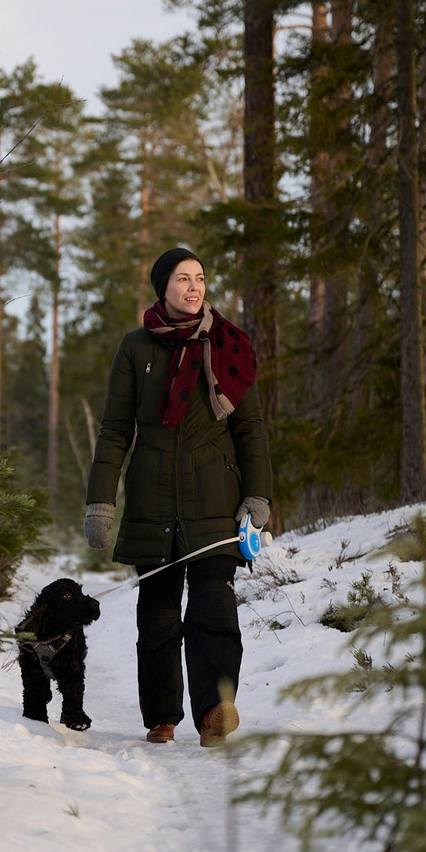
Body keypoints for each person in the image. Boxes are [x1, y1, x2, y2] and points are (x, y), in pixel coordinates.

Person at [84, 247, 273, 747]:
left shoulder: (230, 345)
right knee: (159, 613)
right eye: (183, 279)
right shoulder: (135, 348)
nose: (194, 287)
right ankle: (162, 715)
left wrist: (257, 496)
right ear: (162, 287)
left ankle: (215, 709)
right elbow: (115, 431)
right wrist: (101, 500)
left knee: (215, 605)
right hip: (152, 499)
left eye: (201, 278)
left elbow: (250, 429)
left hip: (215, 497)